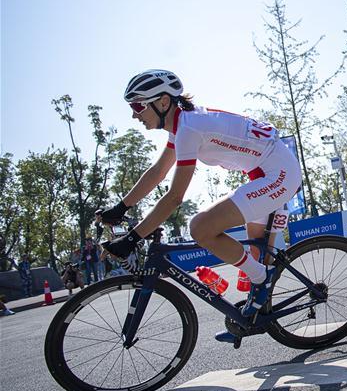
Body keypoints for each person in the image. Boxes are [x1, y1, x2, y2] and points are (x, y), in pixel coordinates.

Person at [96, 69, 301, 343]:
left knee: (201, 228)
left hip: (277, 173)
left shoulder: (189, 129)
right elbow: (157, 172)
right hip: (263, 172)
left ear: (163, 102)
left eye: (138, 106)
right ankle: (254, 316)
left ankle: (262, 279)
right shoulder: (183, 125)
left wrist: (133, 238)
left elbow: (174, 197)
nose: (135, 115)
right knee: (257, 256)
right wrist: (121, 208)